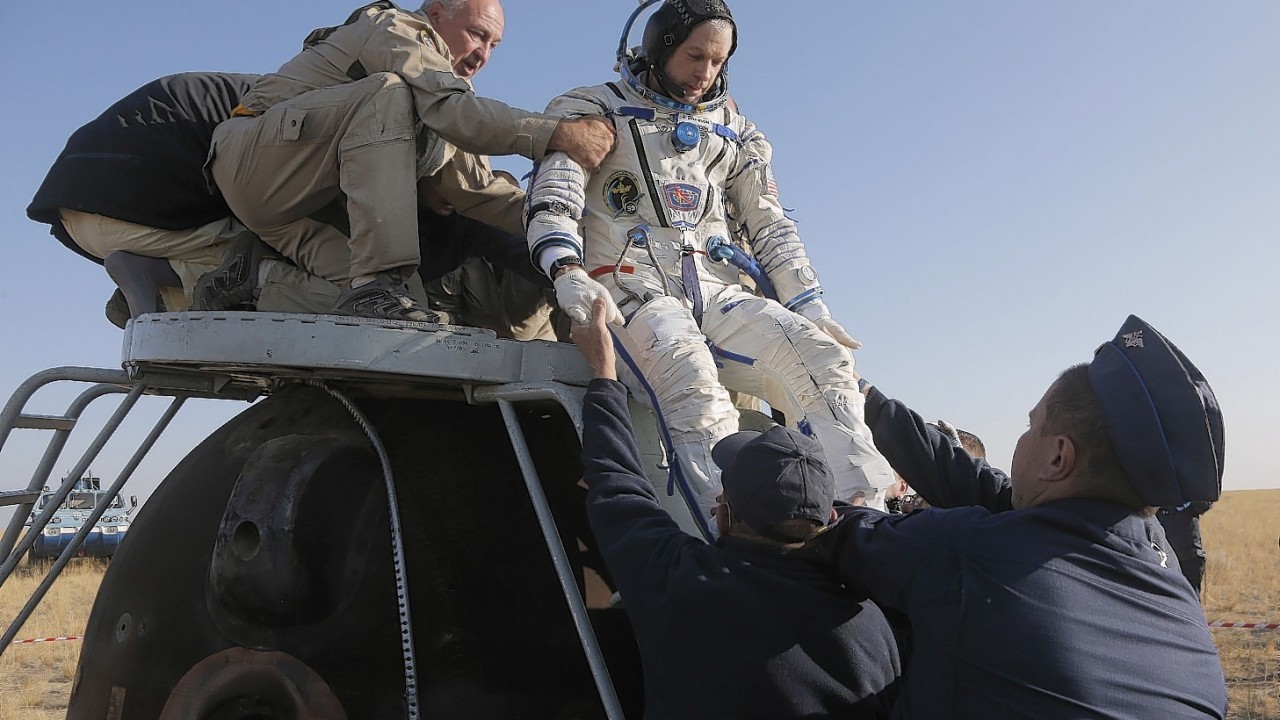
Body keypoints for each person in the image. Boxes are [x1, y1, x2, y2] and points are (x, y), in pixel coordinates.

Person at [525, 0, 893, 534]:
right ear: (660, 46)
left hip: (715, 288)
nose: (705, 73)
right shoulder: (593, 108)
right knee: (691, 383)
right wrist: (565, 268)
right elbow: (555, 194)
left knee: (822, 359)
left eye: (717, 61)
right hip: (628, 287)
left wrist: (808, 302)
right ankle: (739, 543)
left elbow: (769, 225)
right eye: (694, 56)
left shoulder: (735, 133)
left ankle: (859, 526)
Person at [813, 315, 1228, 718]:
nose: (1021, 440)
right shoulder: (1168, 576)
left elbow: (822, 523)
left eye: (1031, 426)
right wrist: (861, 397)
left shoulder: (973, 554)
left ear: (1058, 456)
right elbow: (978, 482)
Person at [572, 297, 900, 719]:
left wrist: (603, 371)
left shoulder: (680, 582)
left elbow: (615, 480)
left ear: (722, 515)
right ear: (833, 516)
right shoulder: (869, 623)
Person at [208, 0, 615, 322]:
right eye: (477, 34)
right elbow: (452, 110)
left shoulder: (443, 98)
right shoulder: (395, 29)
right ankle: (377, 278)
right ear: (436, 15)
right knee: (388, 92)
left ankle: (256, 279)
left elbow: (478, 193)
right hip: (254, 163)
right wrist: (558, 133)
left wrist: (587, 225)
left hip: (299, 211)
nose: (483, 55)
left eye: (494, 45)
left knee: (404, 316)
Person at [27, 72, 261, 322]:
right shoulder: (282, 108)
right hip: (136, 209)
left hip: (74, 216)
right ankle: (163, 283)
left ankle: (160, 292)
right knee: (270, 254)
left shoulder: (247, 90)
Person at [1157, 500, 1212, 595]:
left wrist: (1185, 507)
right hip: (1161, 558)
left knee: (1191, 600)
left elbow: (1206, 501)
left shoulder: (1188, 486)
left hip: (1189, 556)